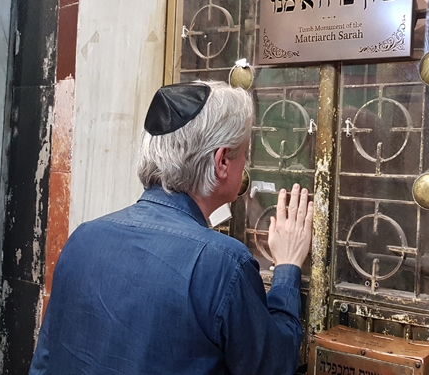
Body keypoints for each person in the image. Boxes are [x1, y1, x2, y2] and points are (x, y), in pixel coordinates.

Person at [30, 81, 313, 374]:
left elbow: (45, 360)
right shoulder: (222, 264)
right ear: (222, 162)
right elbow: (274, 364)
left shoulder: (83, 238)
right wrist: (288, 269)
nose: (245, 164)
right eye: (243, 153)